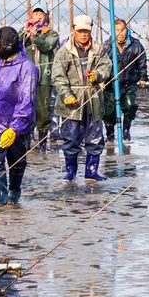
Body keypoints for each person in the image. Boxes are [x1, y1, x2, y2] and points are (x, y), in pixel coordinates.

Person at [0, 26, 37, 205]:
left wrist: (15, 128)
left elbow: (26, 102)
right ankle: (1, 195)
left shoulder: (27, 69)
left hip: (18, 122)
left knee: (17, 160)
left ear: (6, 46)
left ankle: (14, 192)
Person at [52, 15, 112, 181]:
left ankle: (91, 172)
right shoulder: (64, 51)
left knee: (96, 137)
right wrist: (66, 95)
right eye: (80, 31)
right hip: (72, 101)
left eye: (86, 31)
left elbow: (106, 68)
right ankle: (70, 171)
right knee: (71, 137)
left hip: (93, 99)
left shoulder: (98, 50)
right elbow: (58, 76)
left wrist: (97, 76)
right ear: (74, 30)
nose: (84, 34)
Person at [99, 18, 148, 143]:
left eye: (122, 30)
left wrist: (143, 77)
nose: (120, 33)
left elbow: (141, 62)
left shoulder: (136, 45)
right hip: (110, 84)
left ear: (127, 29)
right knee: (109, 111)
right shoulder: (106, 45)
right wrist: (101, 80)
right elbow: (99, 64)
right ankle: (110, 134)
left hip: (128, 82)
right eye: (117, 31)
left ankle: (126, 130)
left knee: (130, 105)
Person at [21, 7, 61, 148]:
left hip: (44, 77)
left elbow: (46, 46)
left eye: (41, 14)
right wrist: (26, 31)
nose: (38, 17)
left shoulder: (51, 33)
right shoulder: (26, 32)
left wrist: (36, 37)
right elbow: (16, 43)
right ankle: (27, 142)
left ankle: (43, 143)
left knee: (43, 110)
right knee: (26, 108)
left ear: (46, 17)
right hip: (26, 78)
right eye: (35, 14)